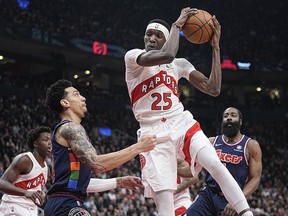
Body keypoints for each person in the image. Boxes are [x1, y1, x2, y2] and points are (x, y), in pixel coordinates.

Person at [124, 7, 254, 216]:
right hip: (152, 132)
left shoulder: (179, 64)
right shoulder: (133, 58)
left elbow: (213, 89)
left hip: (180, 121)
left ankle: (247, 214)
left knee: (215, 164)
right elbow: (166, 55)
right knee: (165, 203)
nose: (152, 39)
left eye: (159, 35)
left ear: (167, 40)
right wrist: (176, 24)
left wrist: (215, 48)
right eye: (149, 34)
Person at [44, 79, 157, 216]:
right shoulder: (70, 127)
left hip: (63, 203)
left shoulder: (69, 131)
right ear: (65, 103)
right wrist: (138, 147)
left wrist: (119, 181)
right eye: (76, 94)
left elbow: (80, 183)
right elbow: (96, 163)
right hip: (65, 204)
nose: (83, 98)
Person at [185, 107, 262, 215]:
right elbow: (193, 169)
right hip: (209, 194)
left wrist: (237, 201)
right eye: (226, 116)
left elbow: (255, 179)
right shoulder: (212, 142)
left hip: (232, 197)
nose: (229, 118)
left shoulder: (251, 145)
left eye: (233, 115)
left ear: (240, 121)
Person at [0, 126, 51, 216]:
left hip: (31, 210)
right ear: (35, 144)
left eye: (51, 140)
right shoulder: (25, 160)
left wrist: (40, 197)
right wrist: (25, 192)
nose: (50, 143)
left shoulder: (46, 168)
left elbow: (35, 190)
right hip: (13, 207)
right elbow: (2, 183)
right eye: (45, 139)